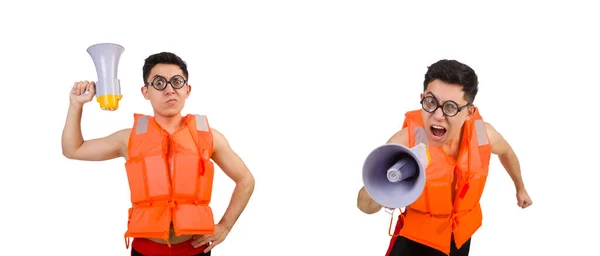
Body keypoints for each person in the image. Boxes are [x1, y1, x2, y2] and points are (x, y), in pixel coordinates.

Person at [62, 52, 255, 256]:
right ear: (146, 92)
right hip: (146, 250)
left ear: (187, 90)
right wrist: (76, 105)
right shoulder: (128, 139)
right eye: (159, 83)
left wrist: (225, 227)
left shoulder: (210, 137)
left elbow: (246, 180)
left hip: (196, 250)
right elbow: (73, 149)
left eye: (177, 82)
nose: (170, 89)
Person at [356, 59, 533, 256]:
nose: (438, 115)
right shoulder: (405, 141)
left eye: (450, 107)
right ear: (422, 98)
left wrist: (521, 188)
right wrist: (383, 188)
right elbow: (364, 207)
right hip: (415, 241)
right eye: (431, 102)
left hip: (459, 237)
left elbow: (507, 153)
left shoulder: (482, 134)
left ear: (469, 112)